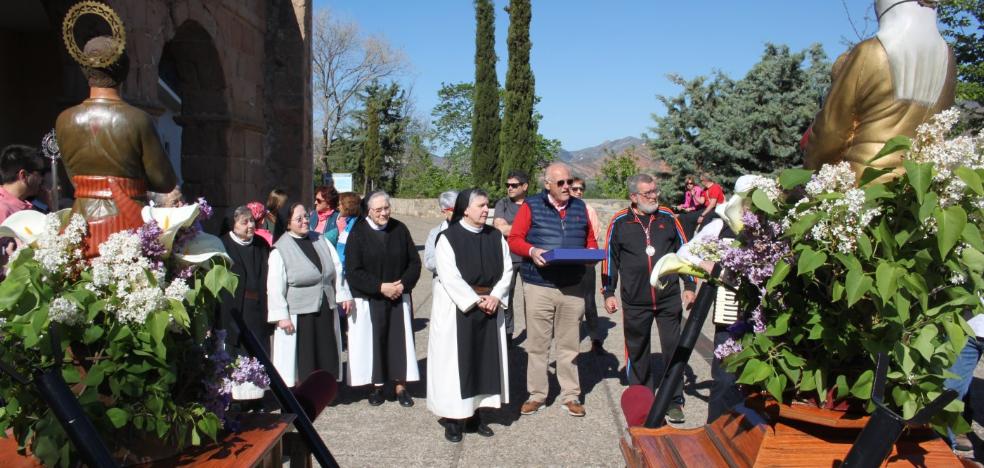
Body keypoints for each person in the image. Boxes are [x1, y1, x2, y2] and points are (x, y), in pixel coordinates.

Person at [54, 35, 179, 256]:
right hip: (126, 222)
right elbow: (164, 181)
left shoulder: (65, 120)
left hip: (80, 224)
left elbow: (72, 179)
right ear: (124, 71)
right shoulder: (137, 120)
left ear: (85, 70)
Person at [804, 0, 955, 180]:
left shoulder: (871, 51)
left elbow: (830, 130)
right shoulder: (948, 58)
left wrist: (809, 173)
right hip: (917, 185)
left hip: (863, 183)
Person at [602, 173, 695, 424]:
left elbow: (686, 252)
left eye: (655, 191)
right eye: (648, 193)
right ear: (634, 197)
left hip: (668, 299)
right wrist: (608, 291)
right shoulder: (619, 221)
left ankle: (673, 401)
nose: (654, 196)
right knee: (638, 351)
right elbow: (610, 259)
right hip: (635, 300)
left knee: (673, 348)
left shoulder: (667, 217)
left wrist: (690, 285)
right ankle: (643, 402)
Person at [508, 162, 598, 418]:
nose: (567, 187)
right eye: (561, 183)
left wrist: (592, 253)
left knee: (569, 345)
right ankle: (537, 395)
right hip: (539, 284)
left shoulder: (580, 208)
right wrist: (532, 251)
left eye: (569, 182)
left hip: (572, 286)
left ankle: (571, 396)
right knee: (538, 345)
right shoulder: (531, 206)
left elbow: (590, 240)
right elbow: (515, 239)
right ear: (547, 184)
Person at [427, 189, 512, 443]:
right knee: (456, 366)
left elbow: (507, 269)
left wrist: (495, 296)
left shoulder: (495, 236)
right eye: (481, 205)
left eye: (488, 205)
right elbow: (448, 275)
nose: (487, 210)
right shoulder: (447, 238)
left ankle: (476, 415)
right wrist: (475, 300)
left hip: (489, 306)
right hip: (458, 310)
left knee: (483, 363)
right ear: (465, 209)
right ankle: (453, 420)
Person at [676, 175, 758, 423]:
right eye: (749, 203)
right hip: (732, 310)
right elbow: (683, 252)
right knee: (725, 377)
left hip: (763, 313)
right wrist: (709, 265)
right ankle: (716, 432)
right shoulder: (720, 227)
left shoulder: (773, 227)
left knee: (756, 379)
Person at [344, 191, 422, 407]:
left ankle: (401, 387)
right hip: (372, 298)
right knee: (374, 343)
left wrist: (402, 285)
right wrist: (380, 287)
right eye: (378, 210)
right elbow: (353, 270)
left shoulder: (400, 229)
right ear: (368, 211)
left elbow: (414, 263)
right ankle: (376, 387)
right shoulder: (358, 233)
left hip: (398, 296)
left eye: (386, 208)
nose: (384, 213)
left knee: (400, 344)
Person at [267, 203, 353, 386]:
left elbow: (336, 268)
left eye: (306, 216)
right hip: (299, 313)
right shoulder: (280, 249)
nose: (306, 221)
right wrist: (282, 316)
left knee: (325, 349)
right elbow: (275, 286)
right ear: (288, 223)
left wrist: (343, 294)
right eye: (299, 219)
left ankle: (323, 386)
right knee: (304, 354)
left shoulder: (320, 240)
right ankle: (303, 387)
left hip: (324, 307)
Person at [219, 206, 272, 355]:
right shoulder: (222, 245)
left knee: (259, 356)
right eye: (244, 222)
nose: (250, 225)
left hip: (258, 311)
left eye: (252, 221)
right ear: (233, 225)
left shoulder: (262, 244)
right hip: (234, 310)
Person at [493, 170, 529, 343]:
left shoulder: (533, 204)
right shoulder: (503, 203)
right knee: (507, 297)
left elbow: (508, 228)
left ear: (525, 186)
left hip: (530, 258)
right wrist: (526, 229)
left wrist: (511, 228)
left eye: (514, 185)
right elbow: (500, 228)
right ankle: (508, 334)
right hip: (508, 258)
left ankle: (535, 333)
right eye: (508, 185)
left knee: (532, 298)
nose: (510, 188)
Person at [570, 177, 605, 354]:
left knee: (589, 300)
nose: (578, 192)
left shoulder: (588, 210)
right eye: (574, 189)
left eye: (580, 189)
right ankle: (570, 338)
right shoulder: (564, 209)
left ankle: (595, 338)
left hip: (585, 261)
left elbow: (594, 234)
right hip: (568, 262)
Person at [0, 145, 46, 223]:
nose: (42, 179)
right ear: (23, 175)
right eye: (41, 173)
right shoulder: (2, 209)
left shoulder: (30, 206)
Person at [424, 190, 459, 275]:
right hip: (443, 280)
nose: (460, 212)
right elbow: (429, 263)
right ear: (444, 212)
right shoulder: (435, 233)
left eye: (462, 208)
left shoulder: (474, 228)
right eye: (454, 210)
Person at [334, 191, 362, 273]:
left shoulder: (356, 225)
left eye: (340, 204)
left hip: (348, 274)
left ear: (348, 206)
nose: (338, 207)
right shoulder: (349, 223)